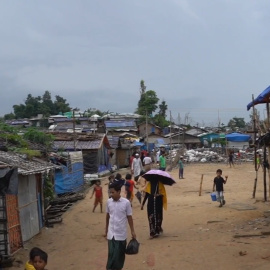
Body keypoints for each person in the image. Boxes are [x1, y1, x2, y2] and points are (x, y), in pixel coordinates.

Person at [105, 182, 136, 270]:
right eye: (110, 192)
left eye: (113, 192)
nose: (111, 194)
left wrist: (132, 231)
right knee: (111, 256)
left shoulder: (126, 203)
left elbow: (129, 217)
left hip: (121, 235)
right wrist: (106, 230)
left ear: (119, 191)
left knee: (119, 257)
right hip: (111, 235)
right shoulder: (108, 202)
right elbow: (107, 216)